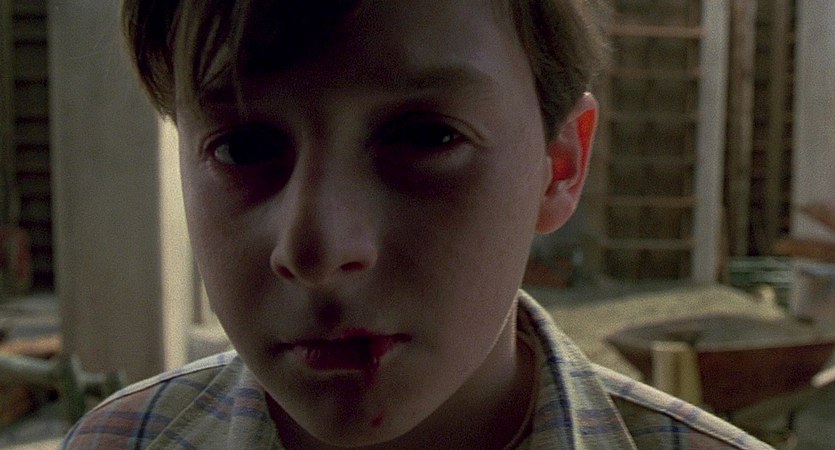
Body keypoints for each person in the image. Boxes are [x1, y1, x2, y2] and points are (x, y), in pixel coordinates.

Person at [63, 1, 771, 449]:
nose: (318, 248)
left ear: (558, 167)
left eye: (427, 136)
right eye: (244, 148)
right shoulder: (121, 440)